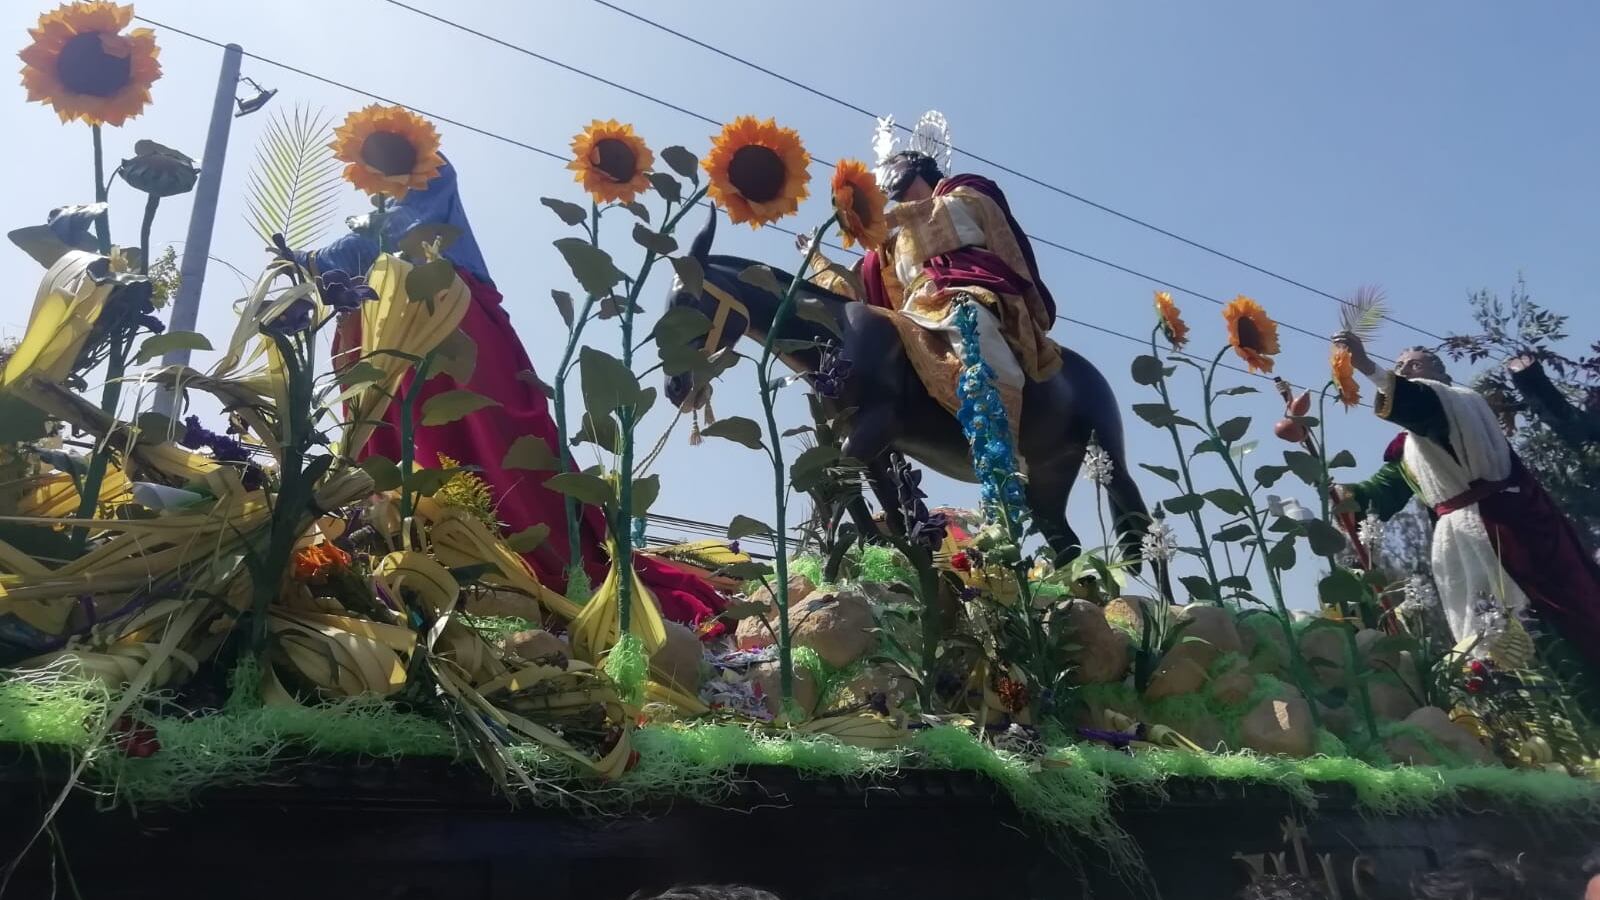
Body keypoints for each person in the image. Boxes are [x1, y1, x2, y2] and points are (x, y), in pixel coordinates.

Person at [296, 158, 726, 628]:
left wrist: (323, 262)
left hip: (447, 317)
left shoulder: (429, 169)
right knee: (390, 444)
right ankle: (406, 558)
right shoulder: (378, 256)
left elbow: (412, 218)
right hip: (386, 330)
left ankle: (542, 567)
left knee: (500, 446)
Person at [1332, 336, 1600, 665]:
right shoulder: (1410, 448)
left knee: (1548, 633)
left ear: (1443, 377)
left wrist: (1368, 366)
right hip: (1459, 547)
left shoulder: (1460, 404)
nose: (1404, 371)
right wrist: (1349, 497)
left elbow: (1420, 405)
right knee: (1484, 646)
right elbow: (1384, 491)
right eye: (1400, 366)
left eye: (1415, 365)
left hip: (1509, 534)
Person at [803, 150, 1061, 431]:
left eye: (892, 164)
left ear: (915, 165)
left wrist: (889, 220)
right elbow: (853, 286)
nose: (885, 174)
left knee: (973, 325)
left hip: (958, 289)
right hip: (912, 312)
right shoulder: (891, 238)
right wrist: (818, 260)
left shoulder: (962, 193)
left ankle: (996, 422)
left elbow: (962, 216)